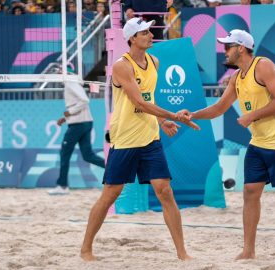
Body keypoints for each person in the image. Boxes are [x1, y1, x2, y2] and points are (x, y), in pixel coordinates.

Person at [177, 29, 275, 267]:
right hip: (259, 142)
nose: (224, 51)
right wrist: (193, 115)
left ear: (240, 48)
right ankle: (248, 250)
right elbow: (219, 108)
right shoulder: (238, 77)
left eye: (228, 46)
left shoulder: (263, 66)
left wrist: (252, 116)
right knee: (250, 192)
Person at [80, 17, 198, 261]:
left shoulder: (155, 61)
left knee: (165, 191)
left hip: (149, 138)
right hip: (125, 140)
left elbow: (149, 100)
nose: (150, 35)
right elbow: (139, 102)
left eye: (150, 31)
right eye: (144, 32)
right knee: (110, 194)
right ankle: (86, 249)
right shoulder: (122, 66)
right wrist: (173, 115)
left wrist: (162, 121)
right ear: (132, 38)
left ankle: (182, 253)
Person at [48, 74, 106, 195]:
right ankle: (115, 171)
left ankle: (62, 186)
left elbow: (84, 100)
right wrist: (65, 117)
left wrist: (68, 112)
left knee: (65, 153)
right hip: (84, 122)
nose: (57, 75)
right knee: (88, 155)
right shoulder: (72, 82)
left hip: (78, 125)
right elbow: (79, 103)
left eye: (59, 72)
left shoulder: (70, 82)